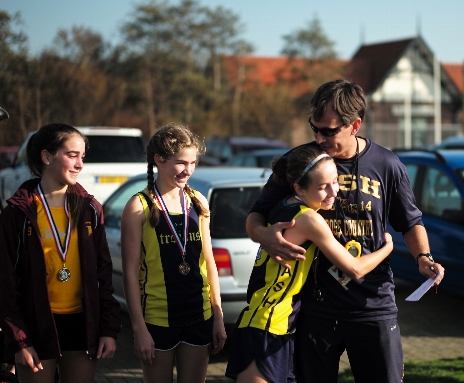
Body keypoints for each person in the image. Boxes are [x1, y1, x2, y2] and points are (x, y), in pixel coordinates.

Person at [246, 78, 445, 383]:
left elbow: (410, 222)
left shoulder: (387, 164)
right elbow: (255, 216)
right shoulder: (301, 163)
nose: (319, 137)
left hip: (372, 305)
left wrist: (423, 257)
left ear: (355, 125)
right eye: (314, 128)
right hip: (314, 308)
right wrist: (264, 235)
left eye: (329, 131)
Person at [226, 146, 395, 383]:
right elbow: (354, 269)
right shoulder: (309, 219)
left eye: (335, 182)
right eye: (322, 187)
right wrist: (387, 247)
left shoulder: (284, 205)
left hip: (277, 324)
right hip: (266, 324)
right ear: (299, 188)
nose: (333, 191)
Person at [0, 123, 121, 383]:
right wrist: (20, 340)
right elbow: (5, 284)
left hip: (81, 326)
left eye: (82, 157)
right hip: (36, 324)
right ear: (46, 156)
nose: (79, 164)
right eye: (72, 155)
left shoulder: (89, 209)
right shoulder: (18, 213)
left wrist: (107, 328)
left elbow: (103, 275)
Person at [121, 122, 227, 383]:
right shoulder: (139, 205)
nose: (188, 170)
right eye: (181, 162)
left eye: (192, 163)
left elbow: (209, 262)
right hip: (157, 318)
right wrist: (139, 328)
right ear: (159, 160)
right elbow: (130, 273)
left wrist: (218, 316)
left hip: (198, 314)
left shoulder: (198, 201)